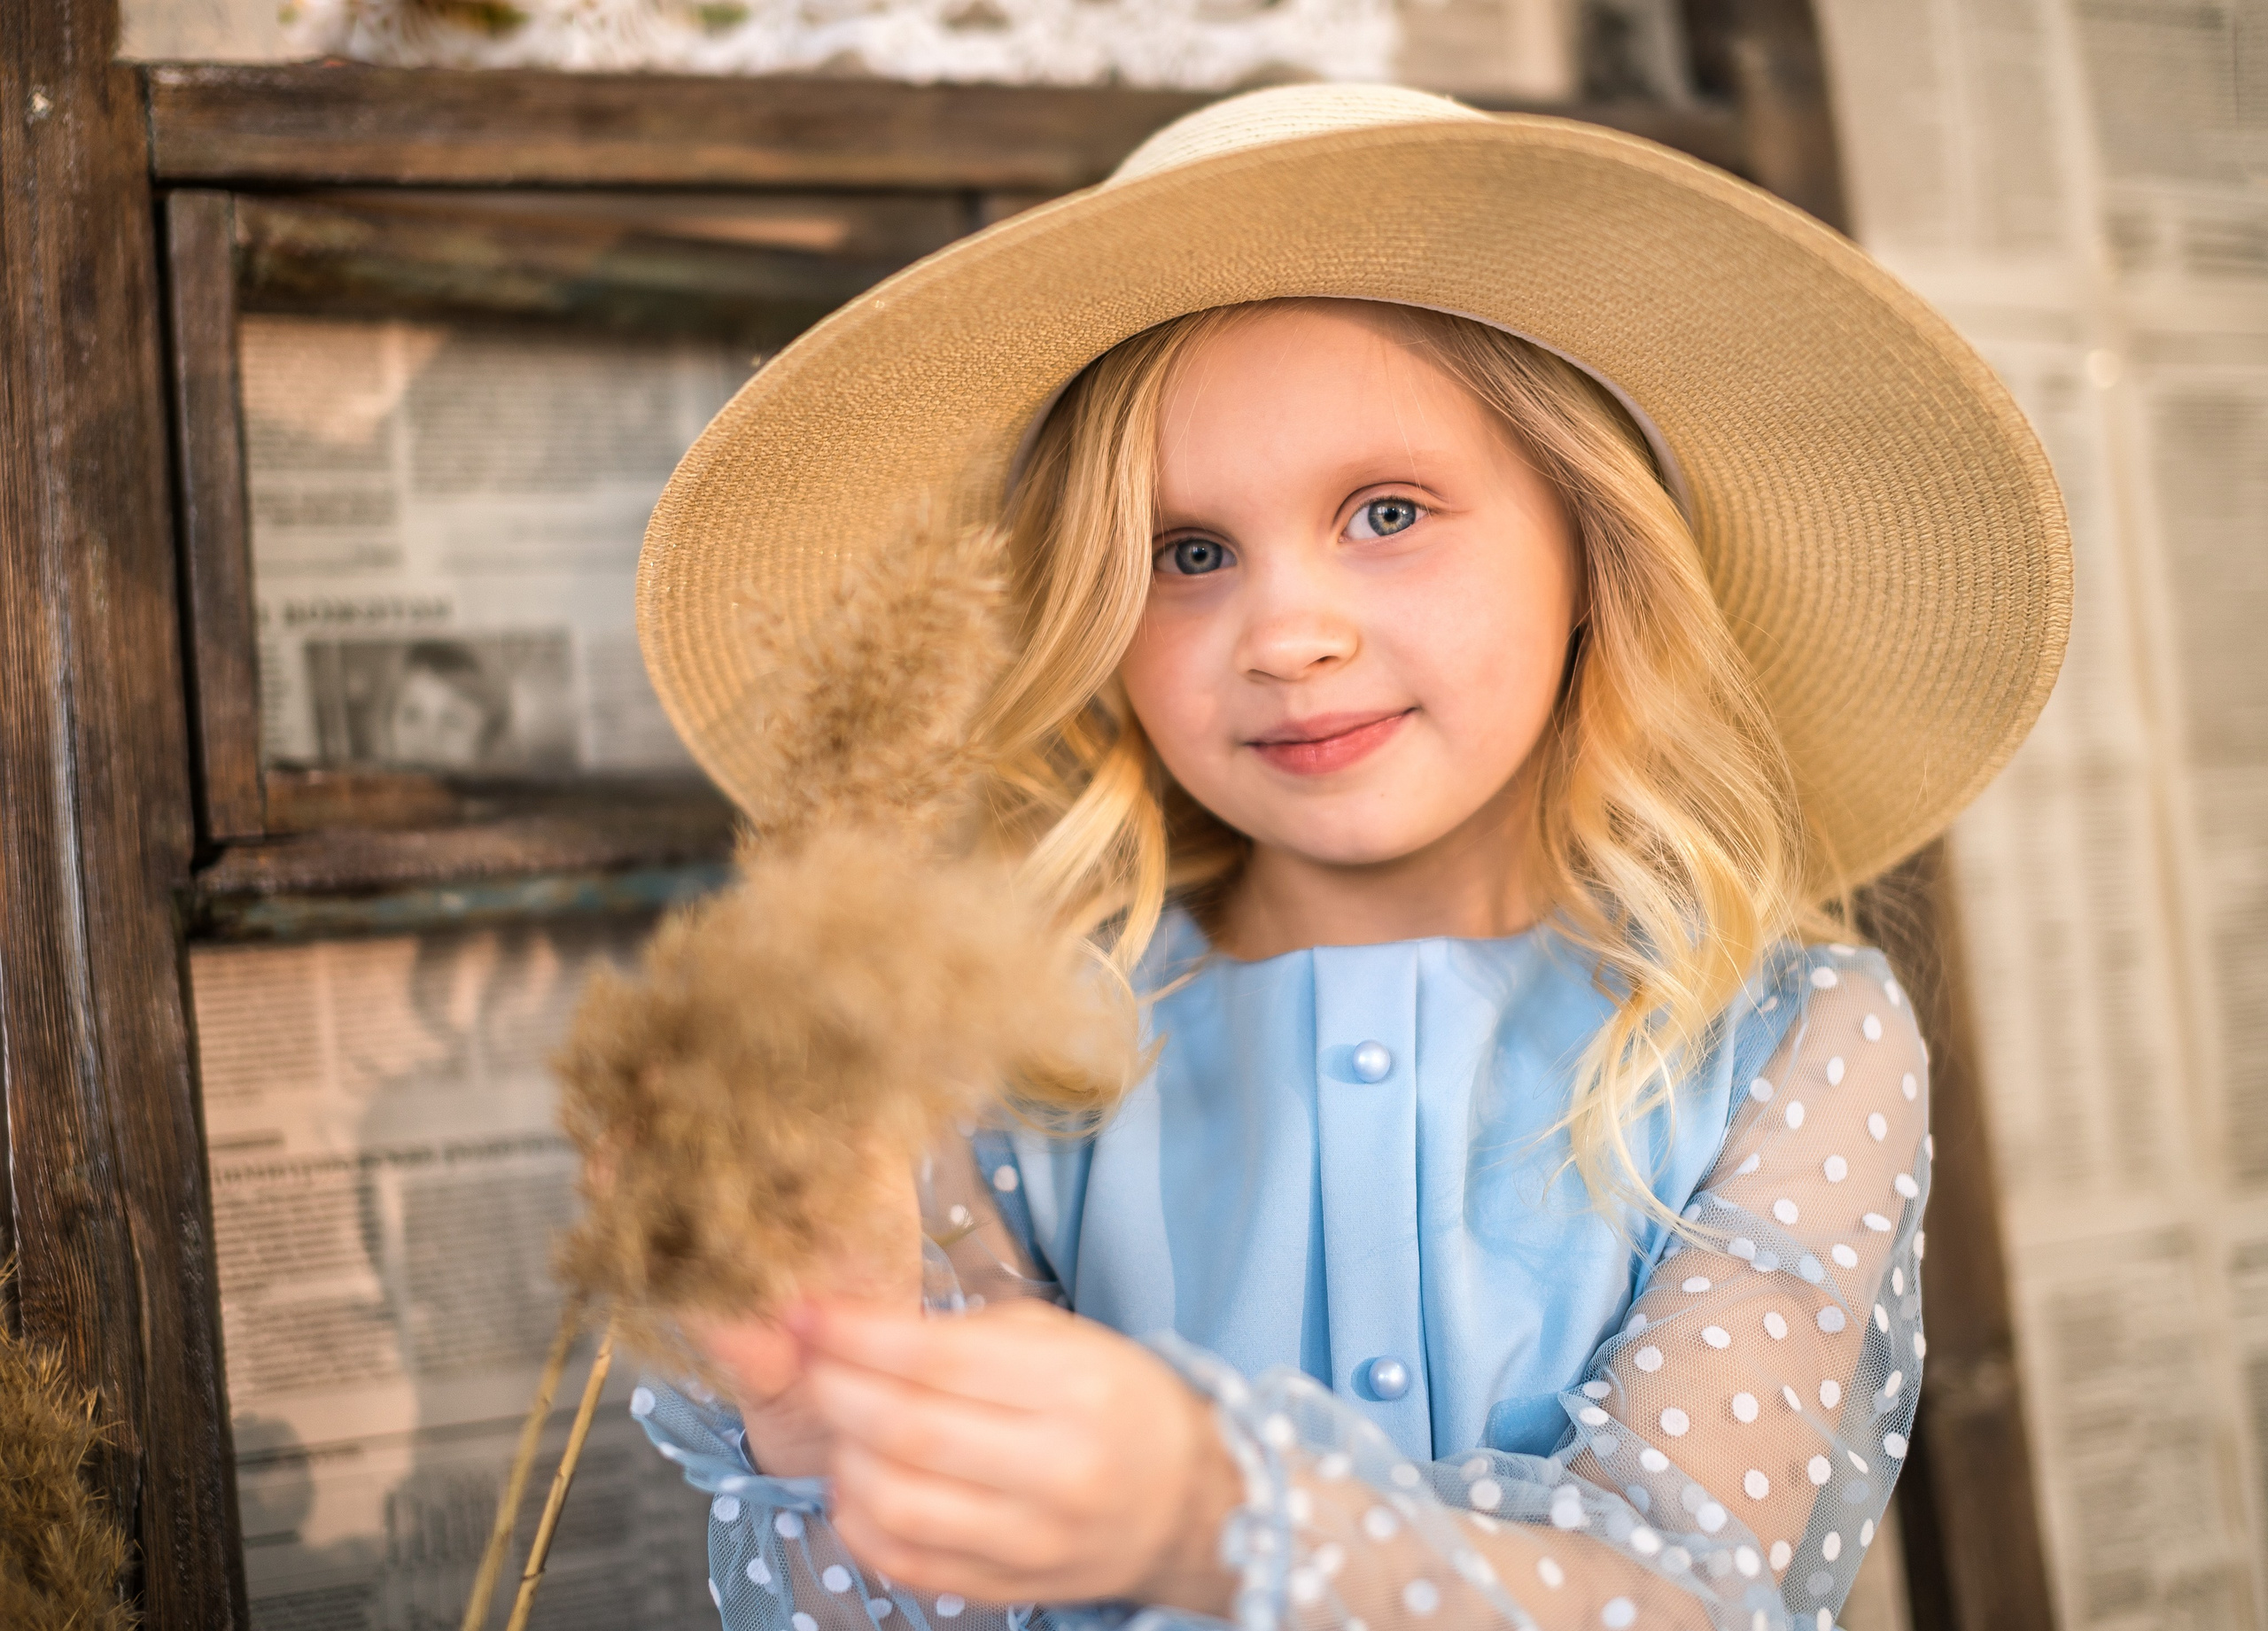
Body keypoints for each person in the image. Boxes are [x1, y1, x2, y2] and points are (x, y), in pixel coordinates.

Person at [620, 86, 2071, 1631]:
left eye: (1387, 511)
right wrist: (811, 1408)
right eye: (1189, 554)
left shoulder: (1789, 1037)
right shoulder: (1006, 1056)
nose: (1290, 636)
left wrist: (1214, 1515)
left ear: (1593, 551)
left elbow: (1679, 1589)